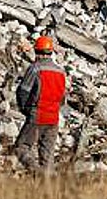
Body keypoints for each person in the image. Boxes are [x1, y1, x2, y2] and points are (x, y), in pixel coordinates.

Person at [15, 35, 68, 173]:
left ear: (37, 52)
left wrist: (26, 110)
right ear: (51, 52)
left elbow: (23, 92)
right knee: (47, 156)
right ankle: (48, 189)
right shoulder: (61, 72)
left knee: (21, 148)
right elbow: (63, 98)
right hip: (54, 119)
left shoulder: (35, 68)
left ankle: (36, 172)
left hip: (38, 115)